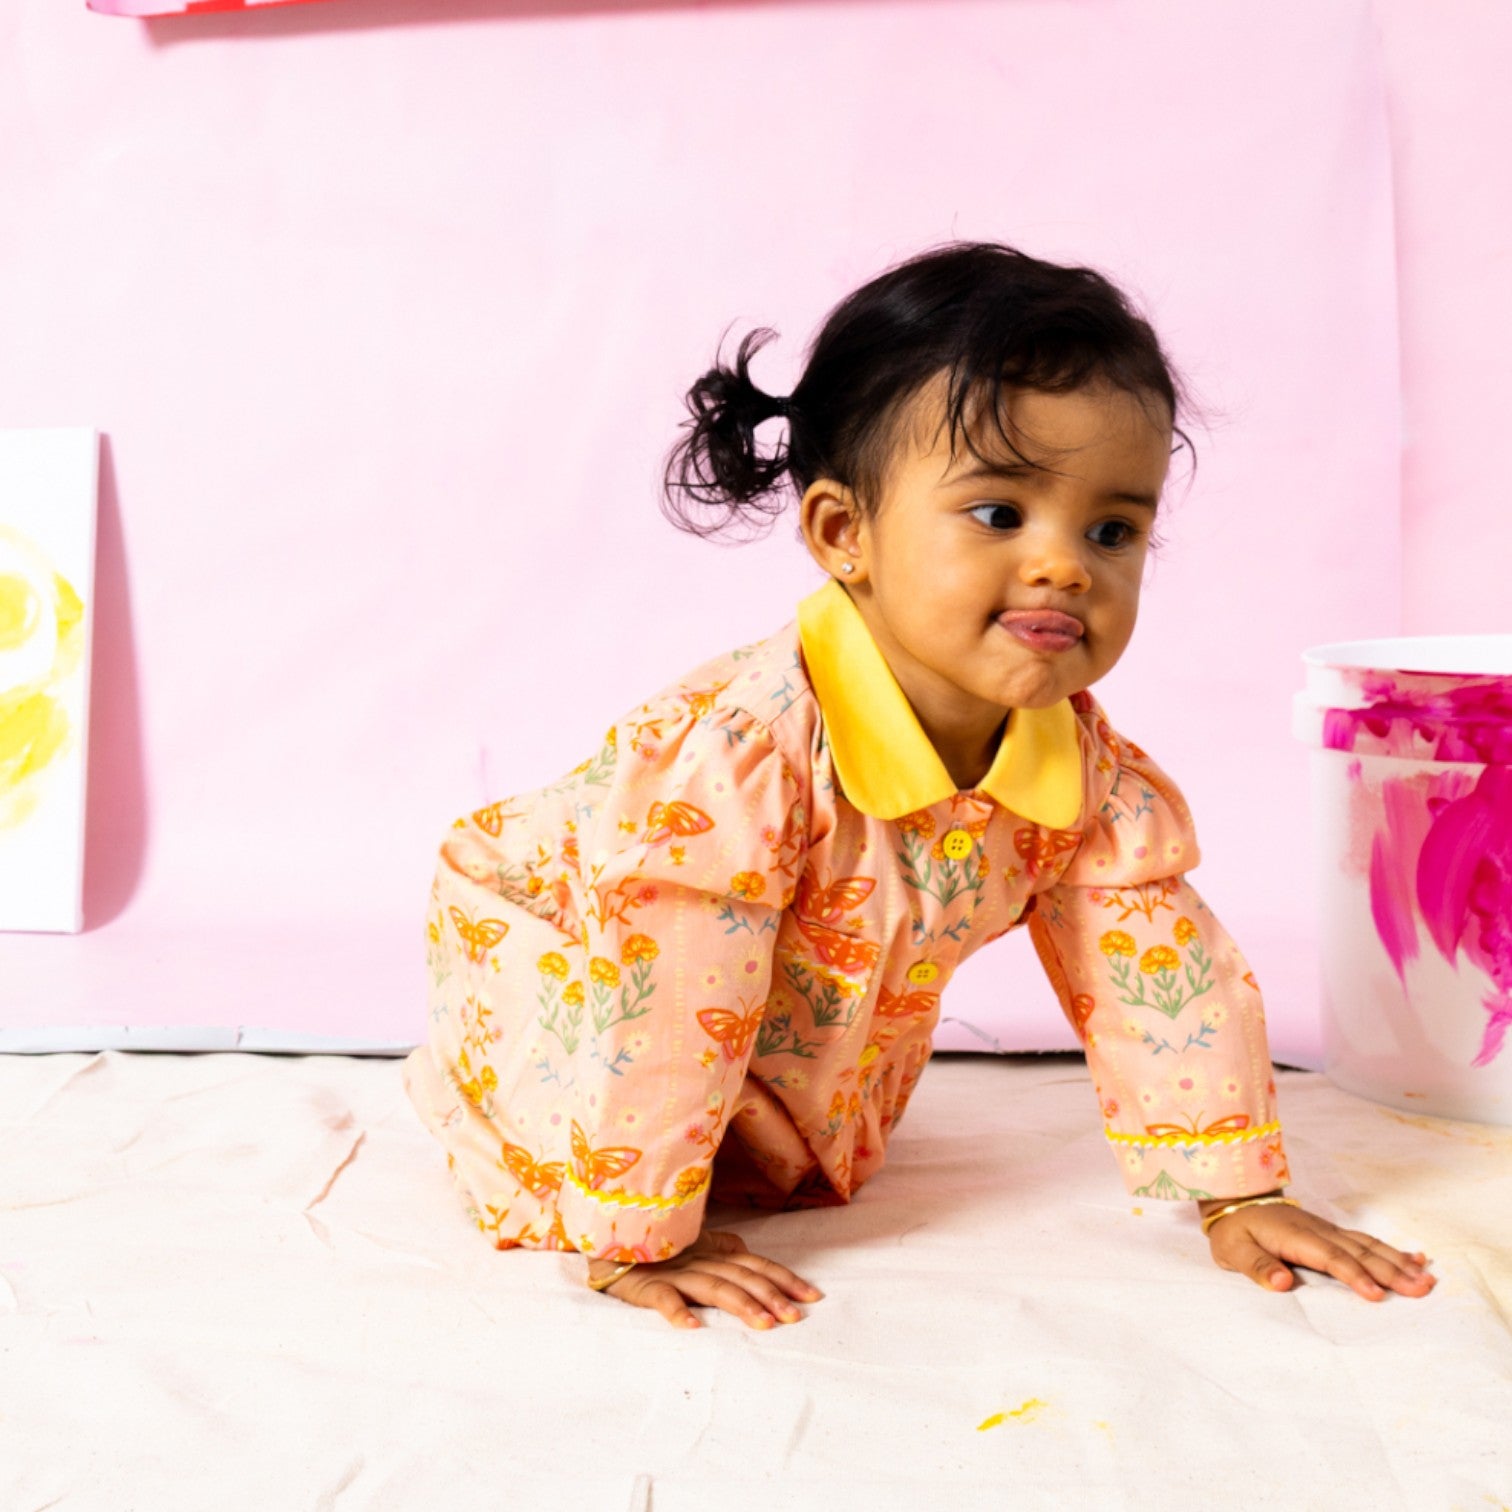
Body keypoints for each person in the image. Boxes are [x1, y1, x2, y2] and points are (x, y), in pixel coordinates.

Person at [403, 242, 1437, 1330]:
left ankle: (732, 1138)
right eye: (999, 514)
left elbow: (1160, 973)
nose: (1066, 565)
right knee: (618, 1089)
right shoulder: (743, 764)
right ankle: (607, 1175)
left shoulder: (1086, 778)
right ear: (845, 535)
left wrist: (1242, 1194)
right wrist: (636, 1236)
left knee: (798, 1137)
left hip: (762, 1014)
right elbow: (662, 995)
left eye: (1113, 529)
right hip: (570, 950)